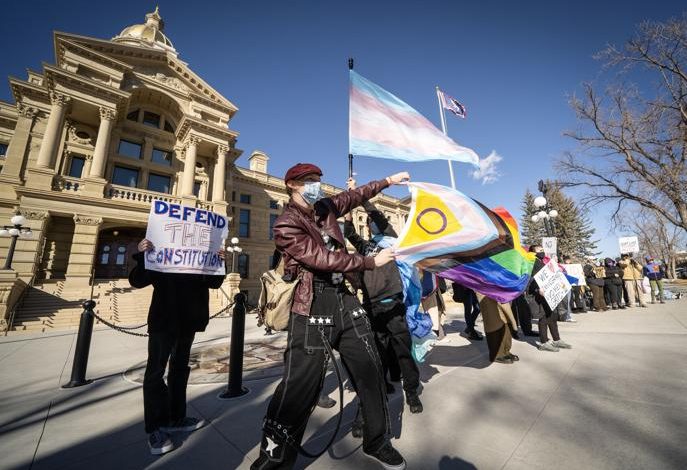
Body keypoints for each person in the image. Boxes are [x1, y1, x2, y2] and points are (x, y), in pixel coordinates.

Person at [251, 163, 409, 470]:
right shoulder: (285, 224)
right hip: (312, 305)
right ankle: (273, 459)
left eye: (318, 180)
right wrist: (369, 261)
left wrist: (388, 181)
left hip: (344, 298)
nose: (317, 186)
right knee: (299, 387)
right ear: (292, 185)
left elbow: (356, 195)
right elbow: (320, 258)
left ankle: (377, 440)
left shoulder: (326, 207)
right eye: (309, 181)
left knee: (371, 369)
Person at [129, 239, 226, 455]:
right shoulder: (162, 250)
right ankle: (155, 427)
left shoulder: (200, 255)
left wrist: (219, 261)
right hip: (163, 319)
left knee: (180, 369)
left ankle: (177, 417)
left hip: (188, 320)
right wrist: (144, 255)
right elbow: (137, 280)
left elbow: (215, 283)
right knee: (155, 372)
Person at [342, 186, 422, 415]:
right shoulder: (366, 247)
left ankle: (412, 391)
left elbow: (376, 214)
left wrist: (361, 195)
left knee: (403, 351)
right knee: (377, 351)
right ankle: (383, 384)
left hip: (393, 304)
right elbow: (349, 232)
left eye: (374, 222)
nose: (373, 224)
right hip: (371, 306)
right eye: (370, 224)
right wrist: (348, 208)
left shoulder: (393, 241)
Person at [528, 245, 572, 352]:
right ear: (533, 252)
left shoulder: (542, 261)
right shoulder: (532, 262)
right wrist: (538, 289)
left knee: (552, 315)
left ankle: (556, 339)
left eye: (543, 250)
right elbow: (532, 277)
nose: (542, 252)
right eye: (540, 250)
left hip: (549, 293)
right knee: (543, 317)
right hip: (540, 293)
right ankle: (543, 342)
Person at [476, 294, 519, 364]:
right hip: (486, 294)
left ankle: (505, 351)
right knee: (494, 323)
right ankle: (496, 355)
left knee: (505, 323)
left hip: (498, 293)